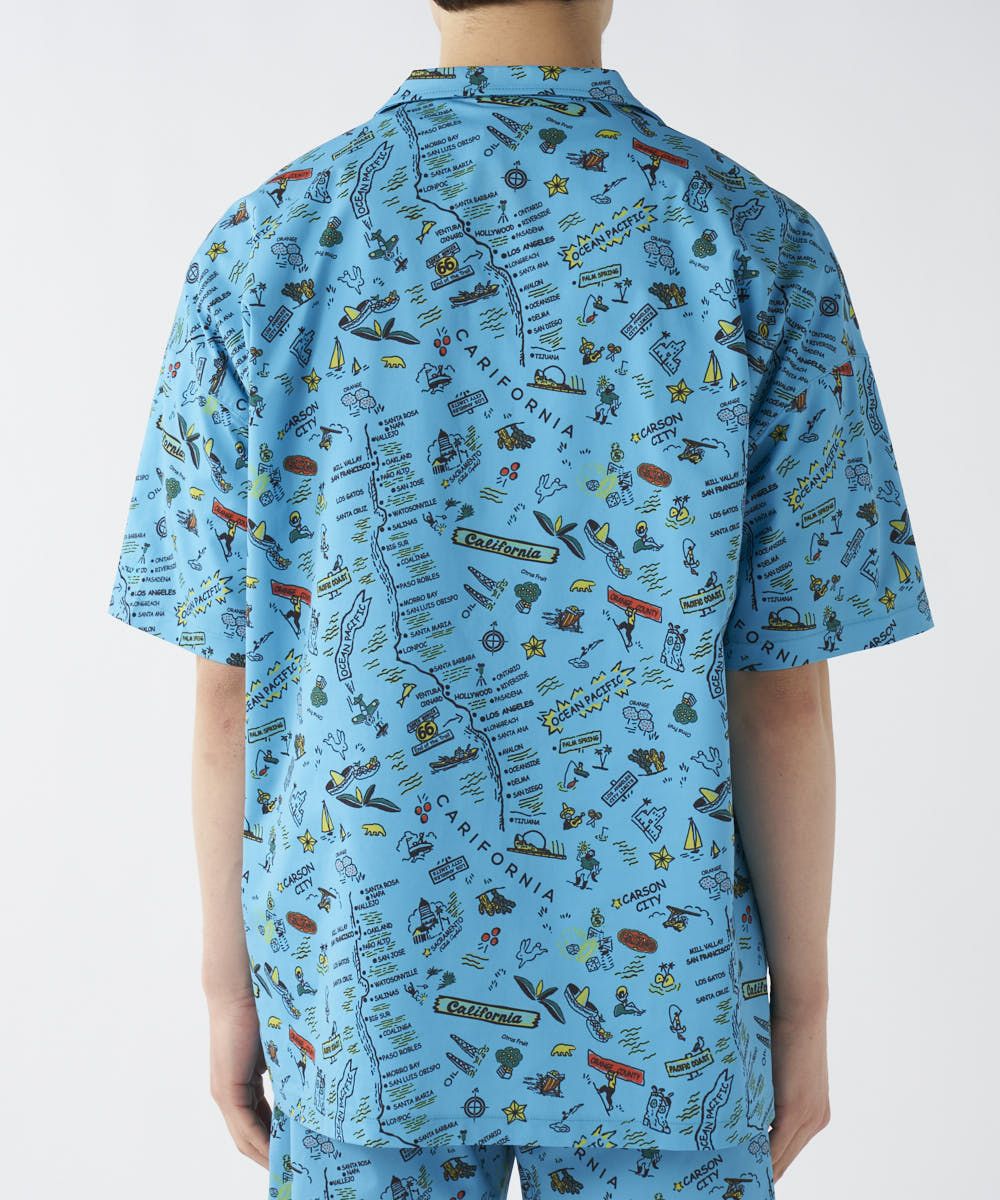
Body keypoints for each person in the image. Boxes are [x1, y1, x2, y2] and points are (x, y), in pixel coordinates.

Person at [105, 1, 936, 1197]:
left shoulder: (267, 243)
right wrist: (800, 1013)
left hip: (360, 998)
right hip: (663, 1017)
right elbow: (781, 700)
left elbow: (228, 692)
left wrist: (226, 991)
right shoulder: (754, 242)